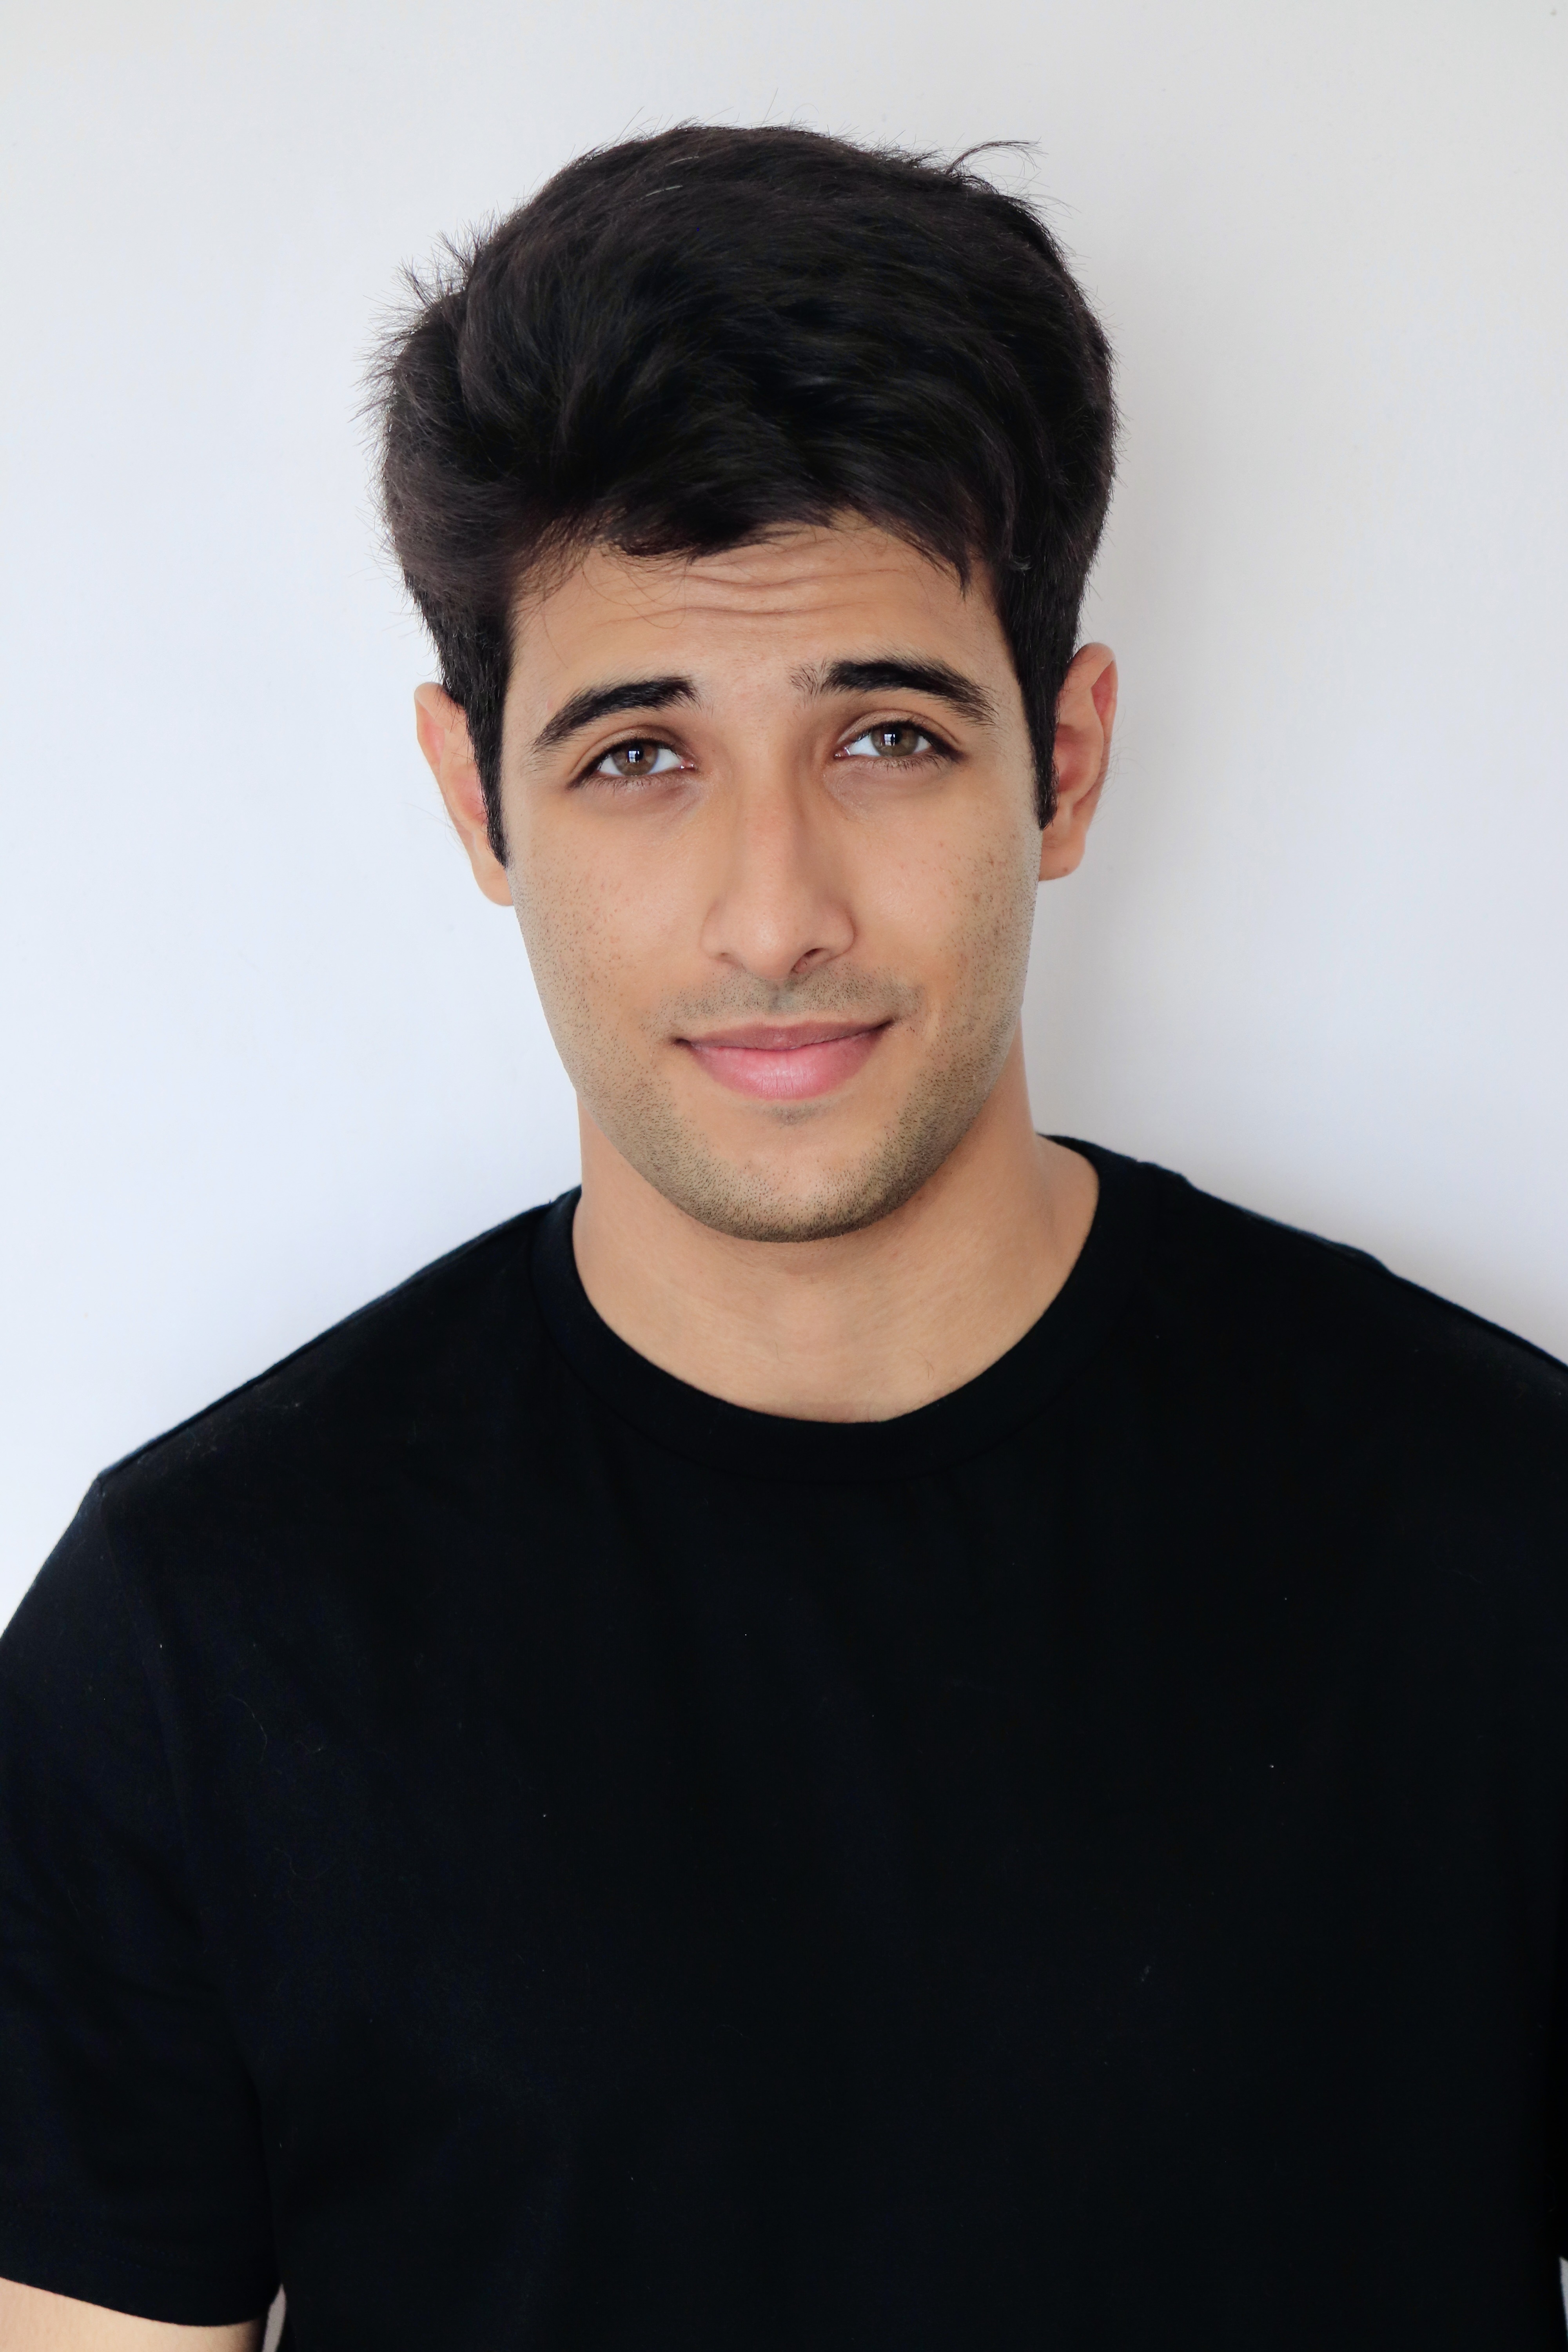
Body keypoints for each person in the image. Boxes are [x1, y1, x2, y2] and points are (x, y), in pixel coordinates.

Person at [1, 122, 1565, 2352]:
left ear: (1066, 762)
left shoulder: (1505, 1550)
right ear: (475, 797)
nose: (774, 914)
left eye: (888, 736)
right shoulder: (191, 1644)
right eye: (639, 756)